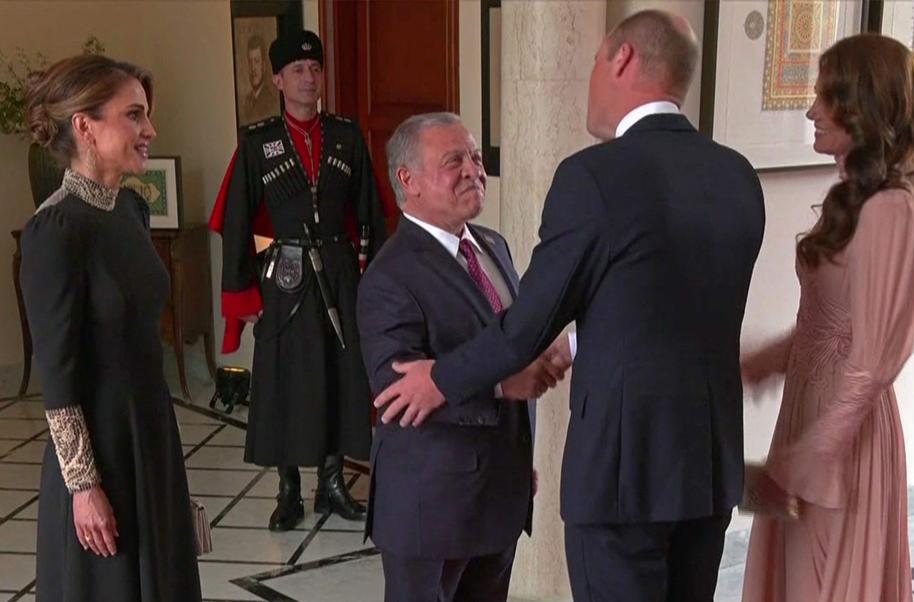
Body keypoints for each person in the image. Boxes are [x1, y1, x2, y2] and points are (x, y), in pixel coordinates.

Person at [372, 9, 765, 601]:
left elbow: (525, 327)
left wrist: (442, 379)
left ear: (622, 60)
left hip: (622, 477)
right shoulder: (737, 176)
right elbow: (649, 308)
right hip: (706, 471)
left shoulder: (594, 177)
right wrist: (576, 342)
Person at [740, 34, 914, 602]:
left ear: (865, 108)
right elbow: (830, 325)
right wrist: (761, 363)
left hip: (844, 437)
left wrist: (813, 456)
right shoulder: (848, 199)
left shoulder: (889, 210)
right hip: (809, 412)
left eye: (826, 98)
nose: (810, 111)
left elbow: (876, 358)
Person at [357, 113, 561, 602]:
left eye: (475, 156)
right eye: (454, 161)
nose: (473, 169)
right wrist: (498, 385)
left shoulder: (493, 245)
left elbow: (510, 345)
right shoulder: (390, 276)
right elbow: (397, 394)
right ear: (408, 180)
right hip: (431, 508)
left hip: (499, 494)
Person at [21, 54, 201, 601]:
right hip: (98, 452)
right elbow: (58, 373)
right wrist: (83, 487)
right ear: (85, 127)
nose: (150, 130)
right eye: (134, 116)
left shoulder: (129, 209)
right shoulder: (54, 230)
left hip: (150, 433)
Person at [209, 29, 387, 531]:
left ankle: (331, 484)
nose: (309, 79)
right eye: (297, 71)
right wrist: (243, 295)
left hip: (338, 269)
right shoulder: (258, 142)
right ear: (278, 79)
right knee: (285, 379)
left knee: (340, 372)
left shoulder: (348, 137)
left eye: (315, 69)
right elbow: (236, 223)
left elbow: (371, 214)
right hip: (283, 276)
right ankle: (288, 488)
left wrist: (373, 280)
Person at [241, 34, 280, 125]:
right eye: (250, 62)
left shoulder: (271, 101)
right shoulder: (247, 102)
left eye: (257, 61)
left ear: (264, 65)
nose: (253, 68)